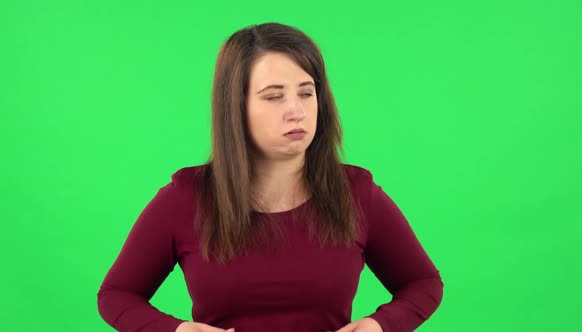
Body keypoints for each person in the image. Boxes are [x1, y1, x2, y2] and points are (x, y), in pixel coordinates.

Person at [97, 22, 444, 332]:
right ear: (236, 107)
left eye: (307, 93)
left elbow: (424, 282)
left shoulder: (357, 193)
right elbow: (116, 295)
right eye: (274, 97)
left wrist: (379, 325)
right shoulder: (185, 198)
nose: (296, 110)